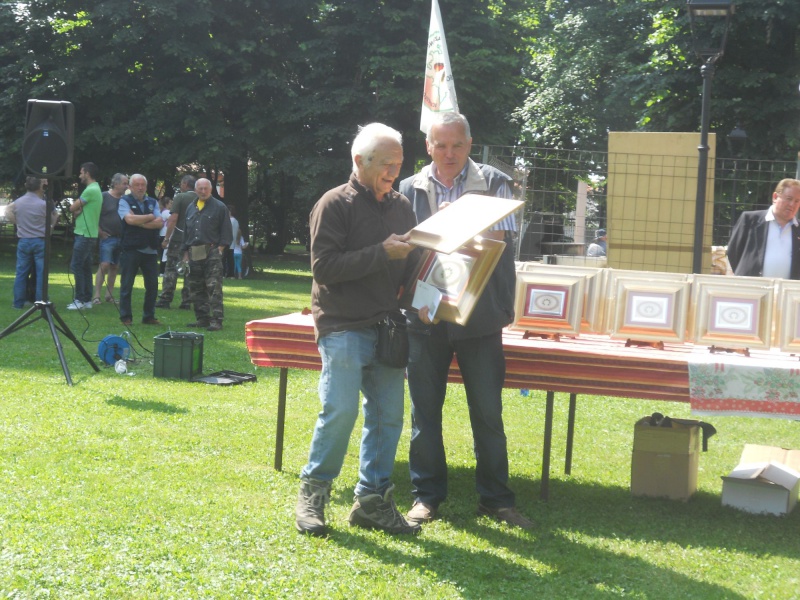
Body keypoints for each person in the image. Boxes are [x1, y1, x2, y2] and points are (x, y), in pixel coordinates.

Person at [398, 112, 533, 530]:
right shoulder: (409, 188)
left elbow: (497, 243)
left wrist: (458, 224)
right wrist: (414, 300)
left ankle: (496, 500)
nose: (449, 153)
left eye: (457, 144)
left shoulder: (495, 183)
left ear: (470, 144)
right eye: (440, 145)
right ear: (428, 146)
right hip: (425, 318)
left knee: (488, 413)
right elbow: (409, 252)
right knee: (424, 414)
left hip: (481, 318)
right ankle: (426, 497)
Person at [294, 123, 420, 537]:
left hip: (388, 325)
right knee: (340, 411)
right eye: (385, 164)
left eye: (398, 164)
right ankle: (314, 492)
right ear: (358, 161)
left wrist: (430, 289)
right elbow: (324, 268)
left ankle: (372, 501)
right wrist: (381, 253)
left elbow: (411, 266)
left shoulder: (402, 206)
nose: (393, 172)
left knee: (388, 417)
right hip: (343, 324)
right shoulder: (333, 203)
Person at [181, 178, 233, 332]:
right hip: (194, 251)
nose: (203, 191)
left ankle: (217, 320)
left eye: (206, 188)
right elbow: (186, 232)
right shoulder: (191, 207)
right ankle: (202, 318)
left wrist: (220, 249)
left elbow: (226, 231)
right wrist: (185, 253)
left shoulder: (219, 207)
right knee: (196, 287)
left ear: (210, 189)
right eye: (200, 189)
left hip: (211, 251)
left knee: (214, 287)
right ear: (195, 190)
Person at [727, 178, 800, 279]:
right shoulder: (750, 220)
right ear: (775, 197)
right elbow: (733, 251)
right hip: (751, 286)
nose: (792, 204)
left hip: (787, 288)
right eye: (789, 198)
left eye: (797, 201)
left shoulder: (798, 229)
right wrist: (746, 273)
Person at [117, 174, 163, 326]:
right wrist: (150, 217)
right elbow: (129, 220)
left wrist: (139, 222)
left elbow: (160, 223)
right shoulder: (124, 201)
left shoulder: (153, 201)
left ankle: (149, 316)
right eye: (137, 185)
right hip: (131, 249)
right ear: (130, 187)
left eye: (143, 185)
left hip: (151, 249)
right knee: (126, 284)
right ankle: (126, 317)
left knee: (152, 285)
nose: (140, 188)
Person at [7, 176, 58, 309]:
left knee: (21, 273)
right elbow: (54, 216)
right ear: (40, 187)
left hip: (24, 240)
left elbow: (8, 211)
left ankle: (18, 303)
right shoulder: (43, 204)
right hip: (40, 240)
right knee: (41, 273)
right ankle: (40, 302)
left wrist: (17, 223)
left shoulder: (18, 203)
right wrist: (50, 228)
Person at [156, 175, 196, 310]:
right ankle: (187, 301)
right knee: (190, 270)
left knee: (171, 268)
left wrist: (166, 238)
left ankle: (165, 298)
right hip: (195, 240)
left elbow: (173, 219)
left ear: (185, 184)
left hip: (179, 238)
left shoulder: (180, 197)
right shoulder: (200, 198)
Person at [67, 162, 102, 310]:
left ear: (87, 173)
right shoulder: (96, 188)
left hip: (84, 234)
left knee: (76, 266)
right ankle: (87, 299)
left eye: (81, 172)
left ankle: (79, 299)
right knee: (86, 267)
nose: (80, 175)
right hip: (90, 234)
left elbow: (72, 208)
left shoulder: (90, 190)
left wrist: (76, 211)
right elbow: (77, 210)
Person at [92, 173, 128, 304]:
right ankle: (96, 295)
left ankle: (109, 295)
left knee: (115, 266)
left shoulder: (125, 199)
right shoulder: (104, 196)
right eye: (124, 183)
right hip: (107, 237)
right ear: (116, 184)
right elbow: (94, 215)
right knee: (104, 264)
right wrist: (100, 232)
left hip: (121, 238)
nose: (127, 186)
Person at [158, 196, 172, 275]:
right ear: (166, 204)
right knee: (165, 254)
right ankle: (162, 271)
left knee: (163, 253)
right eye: (170, 203)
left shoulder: (162, 212)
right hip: (165, 235)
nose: (171, 205)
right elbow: (172, 220)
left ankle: (162, 271)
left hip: (162, 234)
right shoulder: (167, 212)